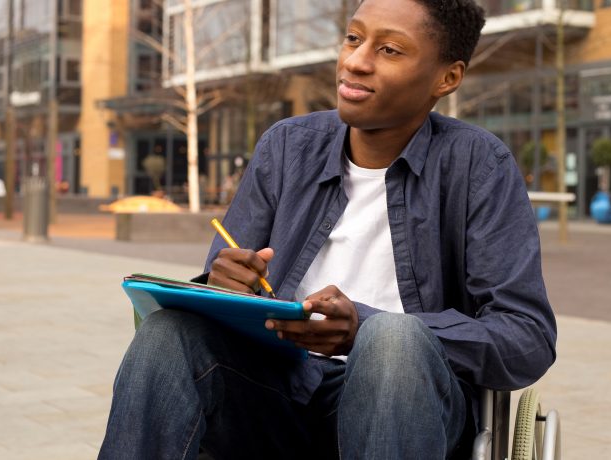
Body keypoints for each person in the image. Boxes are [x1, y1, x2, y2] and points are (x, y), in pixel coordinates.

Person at [99, 0, 557, 458]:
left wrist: (367, 327)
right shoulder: (286, 148)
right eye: (354, 39)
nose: (355, 62)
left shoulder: (479, 165)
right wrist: (221, 285)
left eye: (390, 50)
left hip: (408, 406)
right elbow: (223, 297)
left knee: (391, 343)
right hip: (278, 393)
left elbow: (526, 337)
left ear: (447, 78)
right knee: (168, 333)